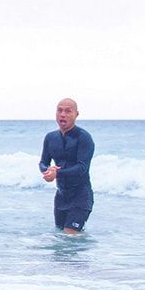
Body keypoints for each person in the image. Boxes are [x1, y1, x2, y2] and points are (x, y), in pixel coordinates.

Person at [39, 98, 95, 234]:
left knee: (70, 235)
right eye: (59, 110)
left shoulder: (84, 138)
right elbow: (43, 162)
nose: (62, 114)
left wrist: (57, 173)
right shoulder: (50, 138)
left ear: (76, 114)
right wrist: (47, 171)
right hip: (61, 196)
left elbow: (82, 168)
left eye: (68, 111)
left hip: (81, 195)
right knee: (61, 240)